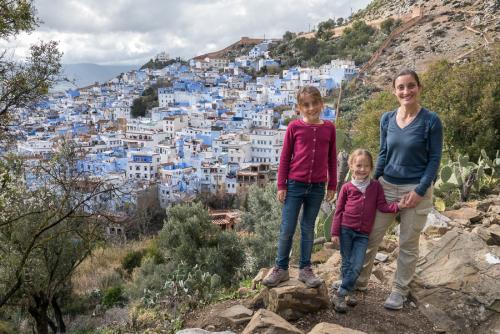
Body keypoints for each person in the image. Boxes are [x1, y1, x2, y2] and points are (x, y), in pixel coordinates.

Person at [355, 69, 443, 310]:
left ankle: (399, 290)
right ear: (394, 92)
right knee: (370, 236)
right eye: (401, 87)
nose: (406, 91)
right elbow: (383, 153)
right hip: (386, 187)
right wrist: (371, 184)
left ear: (419, 88)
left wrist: (421, 190)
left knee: (407, 243)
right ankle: (358, 282)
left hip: (416, 188)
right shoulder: (387, 119)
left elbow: (434, 160)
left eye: (411, 86)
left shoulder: (431, 121)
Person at [262, 86, 337, 288]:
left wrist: (333, 184)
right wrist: (281, 184)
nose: (311, 108)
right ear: (299, 108)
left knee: (308, 228)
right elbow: (285, 157)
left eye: (314, 103)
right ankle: (281, 268)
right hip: (294, 185)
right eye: (306, 105)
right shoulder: (294, 128)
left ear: (322, 104)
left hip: (317, 187)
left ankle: (305, 269)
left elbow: (332, 158)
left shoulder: (329, 128)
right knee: (287, 228)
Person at [330, 149, 405, 313]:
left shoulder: (376, 186)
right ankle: (349, 292)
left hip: (362, 234)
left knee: (357, 265)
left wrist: (398, 206)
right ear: (351, 166)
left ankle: (340, 294)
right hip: (345, 231)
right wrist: (335, 232)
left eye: (366, 166)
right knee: (346, 263)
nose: (362, 169)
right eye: (358, 165)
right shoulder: (346, 188)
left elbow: (383, 206)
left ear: (371, 168)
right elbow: (339, 211)